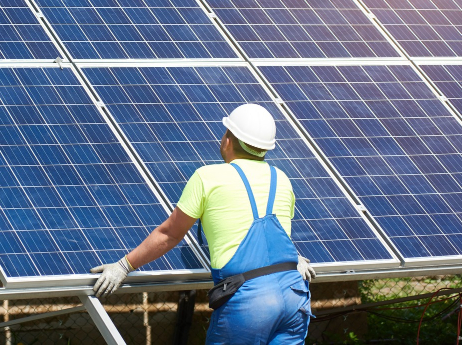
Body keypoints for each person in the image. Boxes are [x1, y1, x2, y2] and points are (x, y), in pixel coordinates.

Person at [90, 104, 315, 345]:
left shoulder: (208, 177)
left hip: (251, 301)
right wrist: (294, 259)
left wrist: (124, 266)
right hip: (294, 295)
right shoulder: (282, 179)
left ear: (228, 139)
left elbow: (169, 234)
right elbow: (277, 232)